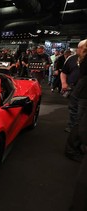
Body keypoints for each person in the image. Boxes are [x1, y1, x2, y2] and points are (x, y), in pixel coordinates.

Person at [69, 39, 87, 211]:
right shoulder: (83, 60)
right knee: (79, 121)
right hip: (83, 94)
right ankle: (73, 147)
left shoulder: (82, 59)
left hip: (81, 92)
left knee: (79, 120)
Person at [62, 40, 86, 133]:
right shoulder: (71, 58)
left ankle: (78, 130)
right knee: (73, 108)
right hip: (73, 87)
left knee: (81, 111)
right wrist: (64, 83)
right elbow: (63, 72)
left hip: (83, 89)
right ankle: (72, 127)